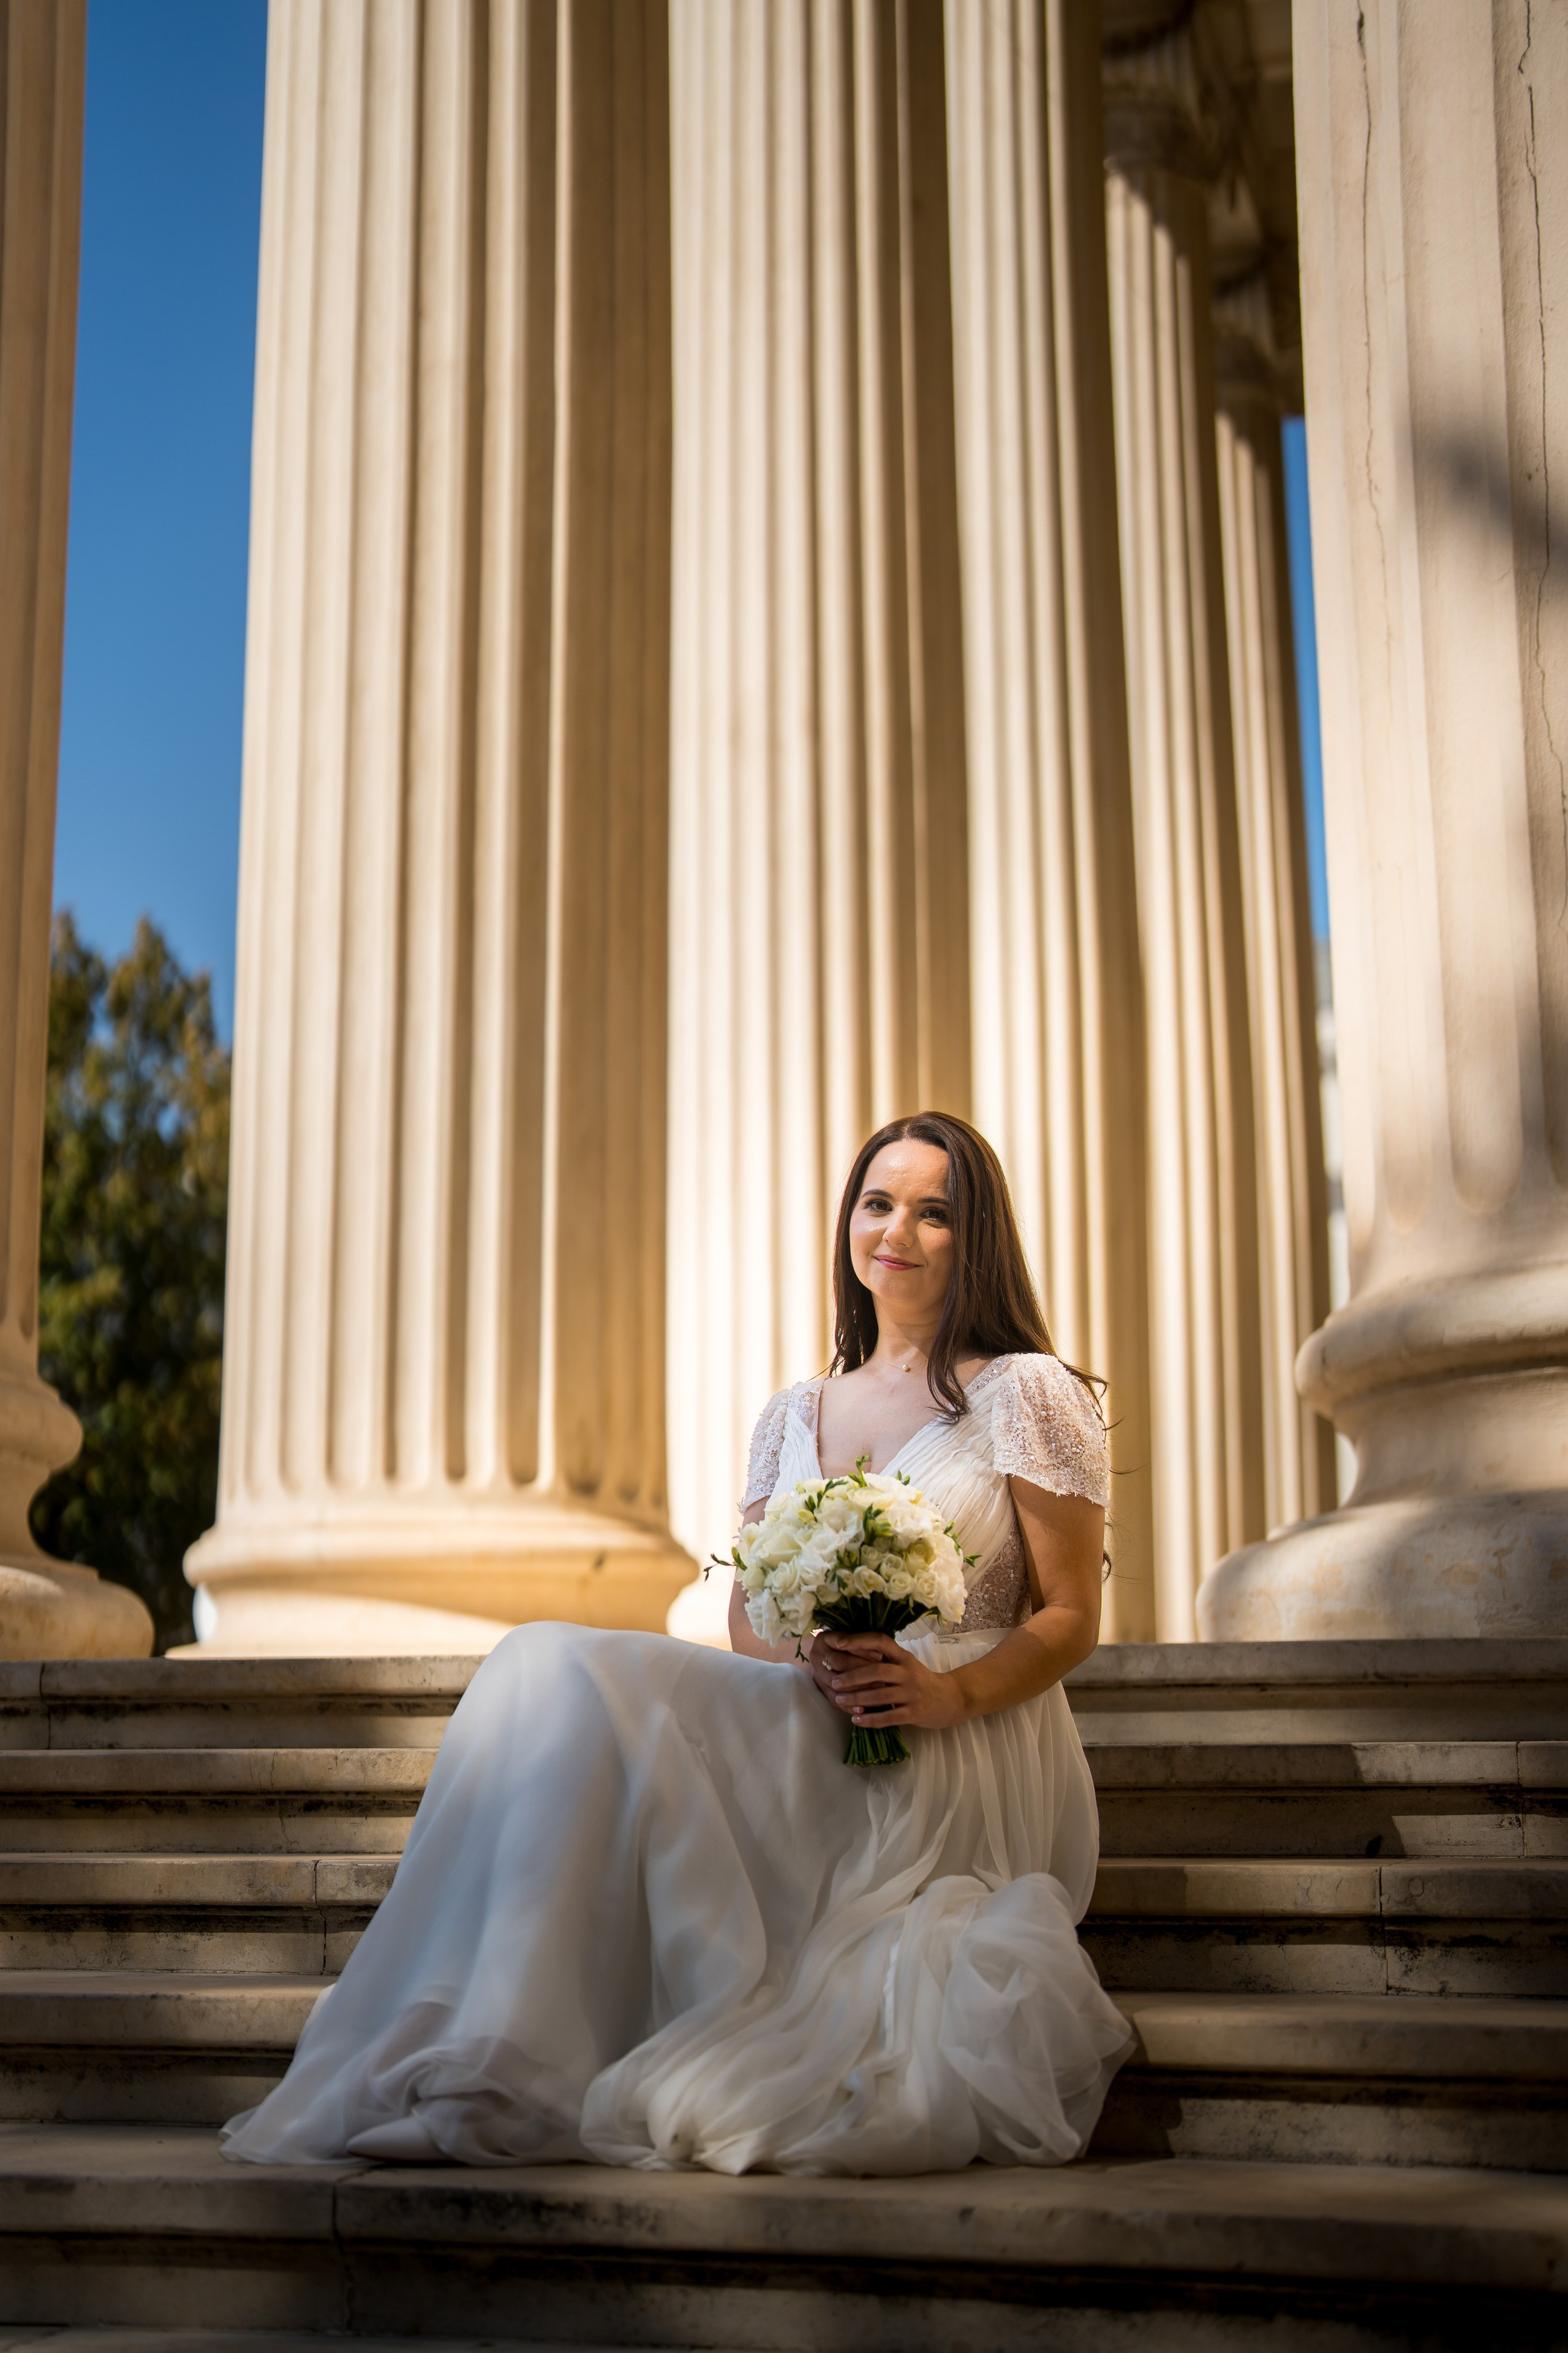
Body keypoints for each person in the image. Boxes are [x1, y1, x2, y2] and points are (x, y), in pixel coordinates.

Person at [222, 1112, 1133, 2175]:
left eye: (935, 1211)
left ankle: (506, 2066)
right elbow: (751, 1613)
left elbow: (1070, 1613)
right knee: (542, 1663)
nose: (900, 1231)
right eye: (878, 1203)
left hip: (957, 1743)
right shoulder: (793, 1412)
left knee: (585, 1684)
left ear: (974, 1237)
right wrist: (814, 1649)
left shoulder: (1026, 1391)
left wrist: (950, 1694)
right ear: (851, 1220)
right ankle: (489, 2054)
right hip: (820, 1703)